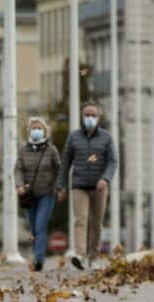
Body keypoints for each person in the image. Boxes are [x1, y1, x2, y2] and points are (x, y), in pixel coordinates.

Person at [55, 102, 119, 270]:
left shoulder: (107, 137)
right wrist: (60, 185)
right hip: (79, 185)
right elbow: (65, 163)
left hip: (100, 187)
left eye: (93, 115)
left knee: (96, 223)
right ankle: (80, 255)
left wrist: (105, 179)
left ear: (99, 117)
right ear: (82, 117)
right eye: (87, 115)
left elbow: (113, 162)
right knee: (81, 220)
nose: (90, 118)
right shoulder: (74, 137)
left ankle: (93, 257)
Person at [15, 117, 61, 272]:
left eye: (39, 128)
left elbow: (58, 170)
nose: (36, 131)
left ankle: (39, 259)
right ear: (29, 131)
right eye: (34, 128)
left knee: (40, 225)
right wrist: (19, 185)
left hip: (46, 193)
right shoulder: (23, 150)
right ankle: (37, 255)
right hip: (29, 195)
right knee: (34, 228)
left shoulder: (51, 150)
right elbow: (18, 169)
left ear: (45, 131)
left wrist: (58, 186)